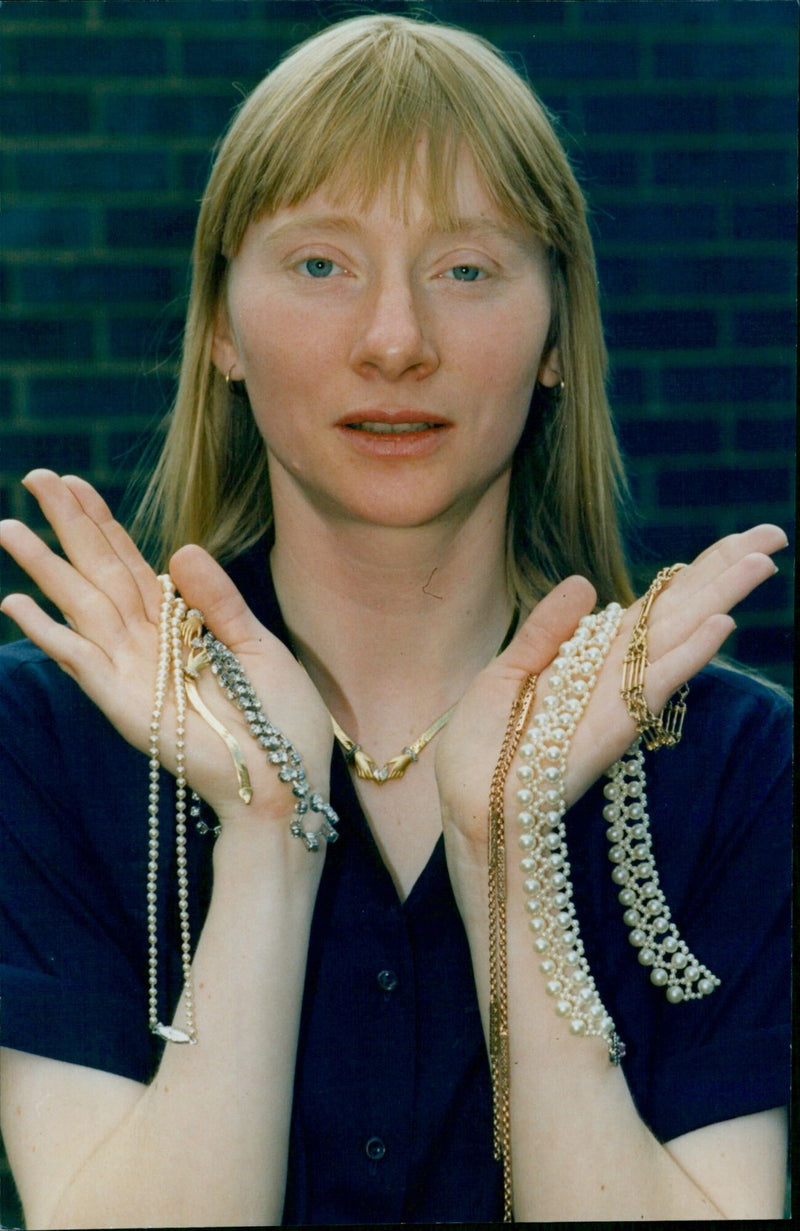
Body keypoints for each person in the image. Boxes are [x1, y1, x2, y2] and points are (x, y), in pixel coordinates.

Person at [0, 14, 789, 1227]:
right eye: (320, 264)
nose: (394, 342)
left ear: (553, 339)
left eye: (465, 269)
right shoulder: (48, 737)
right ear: (219, 326)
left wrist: (506, 852)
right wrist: (267, 836)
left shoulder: (733, 764)